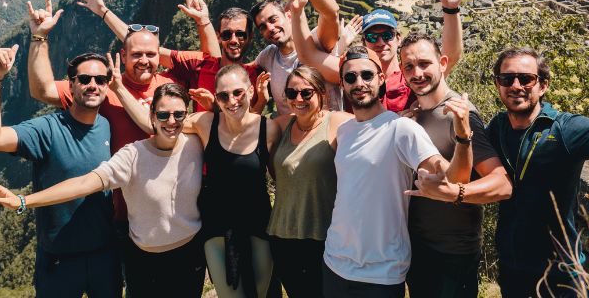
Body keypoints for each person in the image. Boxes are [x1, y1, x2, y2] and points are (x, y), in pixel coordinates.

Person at [0, 78, 207, 298]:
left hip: (190, 256)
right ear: (151, 115)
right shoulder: (133, 155)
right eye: (163, 115)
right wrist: (24, 201)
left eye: (178, 114)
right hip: (145, 263)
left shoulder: (197, 143)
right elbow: (84, 184)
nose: (171, 121)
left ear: (187, 115)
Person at [417, 47, 589, 298]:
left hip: (561, 274)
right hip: (512, 269)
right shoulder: (496, 128)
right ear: (498, 85)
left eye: (526, 79)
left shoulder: (564, 129)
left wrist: (455, 192)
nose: (516, 85)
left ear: (542, 86)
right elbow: (470, 167)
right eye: (507, 79)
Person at [114, 62, 280, 298]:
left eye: (238, 92)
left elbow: (280, 174)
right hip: (217, 229)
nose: (231, 100)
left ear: (250, 91)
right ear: (217, 99)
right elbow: (159, 123)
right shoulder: (205, 124)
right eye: (223, 95)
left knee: (260, 294)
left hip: (259, 226)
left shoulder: (269, 129)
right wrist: (119, 88)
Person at [324, 46, 473, 298]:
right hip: (334, 263)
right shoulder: (344, 131)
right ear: (342, 84)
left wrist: (463, 136)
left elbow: (455, 178)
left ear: (381, 79)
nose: (359, 83)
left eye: (367, 75)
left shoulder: (401, 128)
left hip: (381, 272)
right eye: (350, 77)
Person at [27, 0, 189, 223]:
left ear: (159, 56)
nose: (144, 60)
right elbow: (42, 91)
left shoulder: (173, 86)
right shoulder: (102, 88)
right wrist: (39, 37)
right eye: (136, 54)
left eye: (151, 54)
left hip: (172, 212)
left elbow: (213, 64)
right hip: (122, 215)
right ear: (123, 56)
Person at [0, 44, 121, 298]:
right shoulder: (48, 129)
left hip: (105, 253)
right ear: (71, 85)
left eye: (100, 80)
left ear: (107, 86)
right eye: (84, 79)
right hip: (59, 258)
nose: (92, 85)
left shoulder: (108, 126)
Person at [395, 33, 512, 298]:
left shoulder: (460, 113)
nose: (418, 73)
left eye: (425, 63)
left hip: (451, 253)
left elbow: (501, 182)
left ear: (443, 63)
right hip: (417, 246)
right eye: (409, 66)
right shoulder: (415, 112)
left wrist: (457, 193)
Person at [290, 0, 470, 112]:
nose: (380, 42)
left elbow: (451, 55)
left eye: (387, 35)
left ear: (398, 38)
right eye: (372, 36)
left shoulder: (412, 75)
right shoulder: (352, 74)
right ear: (363, 41)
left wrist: (451, 9)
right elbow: (308, 56)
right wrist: (297, 11)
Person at [74, 0, 259, 103]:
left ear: (250, 37)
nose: (233, 40)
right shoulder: (200, 65)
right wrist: (103, 11)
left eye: (240, 35)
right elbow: (145, 48)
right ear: (219, 37)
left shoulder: (258, 76)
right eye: (227, 35)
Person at [264, 65, 354, 297]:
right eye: (292, 93)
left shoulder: (339, 123)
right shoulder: (281, 124)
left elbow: (375, 126)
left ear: (322, 94)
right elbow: (242, 127)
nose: (299, 98)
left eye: (307, 92)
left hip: (325, 238)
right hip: (283, 236)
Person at [250, 0, 343, 115]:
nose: (270, 28)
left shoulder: (317, 41)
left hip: (328, 133)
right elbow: (242, 69)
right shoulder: (268, 56)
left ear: (288, 15)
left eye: (273, 20)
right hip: (288, 135)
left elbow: (332, 13)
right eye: (263, 27)